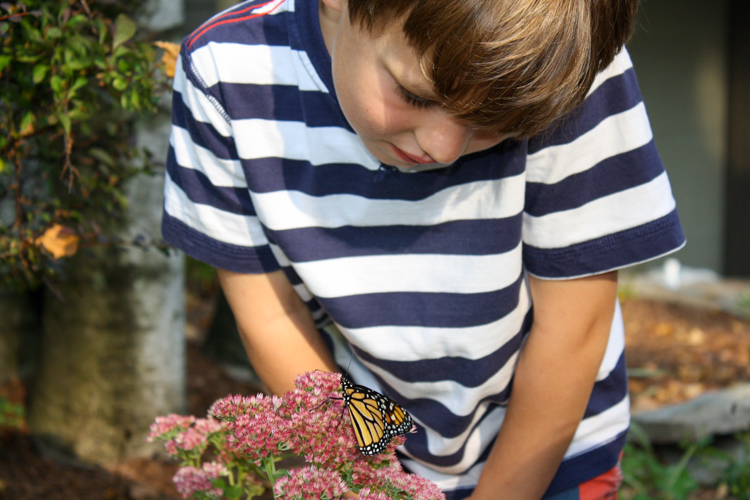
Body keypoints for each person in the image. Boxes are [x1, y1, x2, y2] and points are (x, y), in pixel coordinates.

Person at [161, 0, 685, 498]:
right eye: (416, 95)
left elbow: (574, 332)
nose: (441, 148)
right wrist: (376, 483)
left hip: (551, 449)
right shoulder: (225, 73)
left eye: (490, 127)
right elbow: (273, 319)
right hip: (372, 442)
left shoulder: (568, 60)